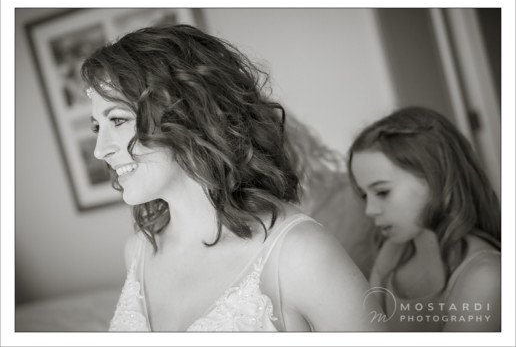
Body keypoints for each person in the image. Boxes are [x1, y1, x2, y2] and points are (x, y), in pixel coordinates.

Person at [81, 24, 382, 332]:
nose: (100, 150)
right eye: (96, 127)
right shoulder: (138, 252)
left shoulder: (298, 254)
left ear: (189, 113)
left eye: (117, 120)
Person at [347, 107, 501, 331]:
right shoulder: (392, 252)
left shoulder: (487, 277)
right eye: (364, 195)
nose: (369, 210)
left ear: (437, 178)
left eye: (382, 192)